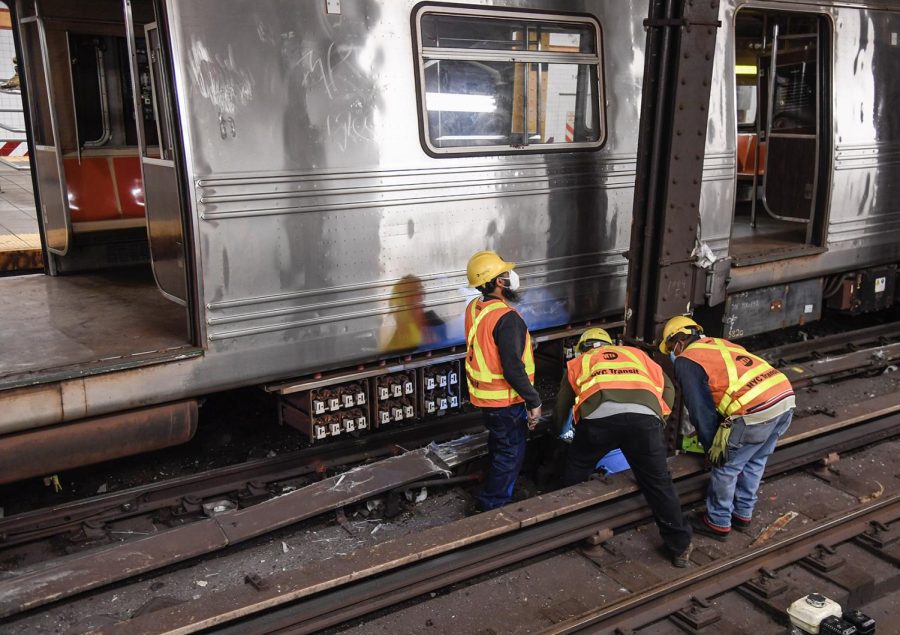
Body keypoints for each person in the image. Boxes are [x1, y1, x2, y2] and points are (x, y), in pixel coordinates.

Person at [555, 328, 693, 567]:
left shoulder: (580, 361)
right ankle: (680, 546)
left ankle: (574, 530)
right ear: (611, 343)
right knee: (658, 483)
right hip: (644, 422)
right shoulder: (637, 355)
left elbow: (561, 407)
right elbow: (668, 389)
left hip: (598, 421)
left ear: (583, 348)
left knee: (576, 468)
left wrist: (561, 433)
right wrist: (656, 419)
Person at [660, 316, 795, 541]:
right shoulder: (721, 344)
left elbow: (700, 410)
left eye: (672, 347)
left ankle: (718, 521)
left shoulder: (688, 360)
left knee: (725, 467)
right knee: (755, 460)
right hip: (784, 399)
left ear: (680, 340)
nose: (673, 353)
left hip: (754, 411)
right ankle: (743, 514)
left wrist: (711, 447)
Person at [464, 250, 542, 512]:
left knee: (500, 445)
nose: (513, 277)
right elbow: (512, 368)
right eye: (507, 273)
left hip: (486, 397)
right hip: (505, 400)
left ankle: (493, 488)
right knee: (511, 452)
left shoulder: (476, 308)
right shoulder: (507, 319)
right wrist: (534, 401)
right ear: (500, 282)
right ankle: (492, 506)